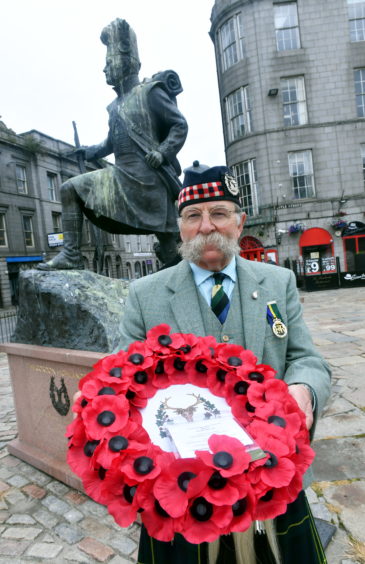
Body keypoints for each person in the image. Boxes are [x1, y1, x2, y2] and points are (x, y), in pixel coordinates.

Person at [116, 165, 331, 564]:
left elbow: (305, 358)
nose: (206, 227)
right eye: (193, 216)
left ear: (239, 221)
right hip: (183, 492)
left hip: (271, 479)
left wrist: (304, 390)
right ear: (179, 226)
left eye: (218, 213)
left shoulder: (278, 281)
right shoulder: (145, 295)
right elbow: (122, 379)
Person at [38, 18, 188, 271]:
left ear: (127, 60)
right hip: (122, 177)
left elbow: (179, 125)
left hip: (148, 179)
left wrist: (163, 153)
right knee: (69, 189)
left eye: (109, 63)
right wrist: (90, 151)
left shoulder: (150, 92)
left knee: (169, 244)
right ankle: (72, 254)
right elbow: (112, 142)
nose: (105, 69)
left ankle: (179, 273)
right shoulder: (114, 106)